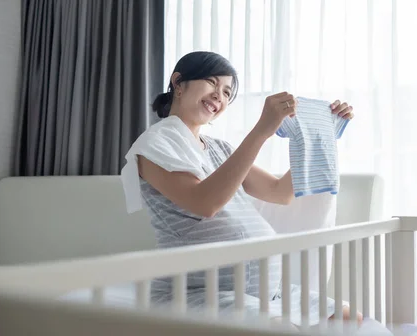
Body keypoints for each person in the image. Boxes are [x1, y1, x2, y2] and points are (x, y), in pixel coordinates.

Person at [125, 51, 359, 328]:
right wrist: (262, 130)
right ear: (178, 82)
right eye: (212, 83)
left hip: (265, 293)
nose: (219, 97)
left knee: (349, 319)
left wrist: (320, 133)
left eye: (226, 92)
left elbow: (279, 192)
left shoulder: (220, 149)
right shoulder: (154, 143)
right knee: (283, 330)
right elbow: (205, 203)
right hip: (200, 293)